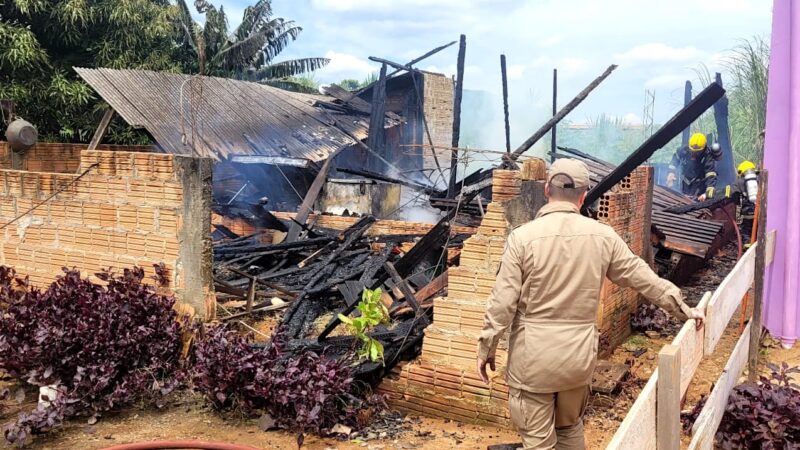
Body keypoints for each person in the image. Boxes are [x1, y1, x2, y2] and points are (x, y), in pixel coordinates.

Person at [477, 158, 705, 450]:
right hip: (578, 359)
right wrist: (684, 308)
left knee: (538, 442)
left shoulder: (522, 238)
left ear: (547, 189)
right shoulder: (603, 236)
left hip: (533, 361)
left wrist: (487, 347)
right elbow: (643, 278)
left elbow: (502, 303)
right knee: (570, 429)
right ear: (584, 196)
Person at [666, 132, 720, 201]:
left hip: (700, 186)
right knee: (684, 200)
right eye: (692, 151)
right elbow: (674, 162)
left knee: (695, 203)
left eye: (697, 152)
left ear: (703, 149)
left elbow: (711, 176)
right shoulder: (683, 150)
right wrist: (671, 173)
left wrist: (706, 194)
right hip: (686, 183)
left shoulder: (708, 156)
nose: (693, 154)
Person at [734, 160, 760, 243]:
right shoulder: (760, 178)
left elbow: (735, 195)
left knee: (746, 229)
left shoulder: (739, 182)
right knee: (758, 228)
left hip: (747, 212)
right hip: (759, 210)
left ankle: (748, 245)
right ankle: (757, 243)